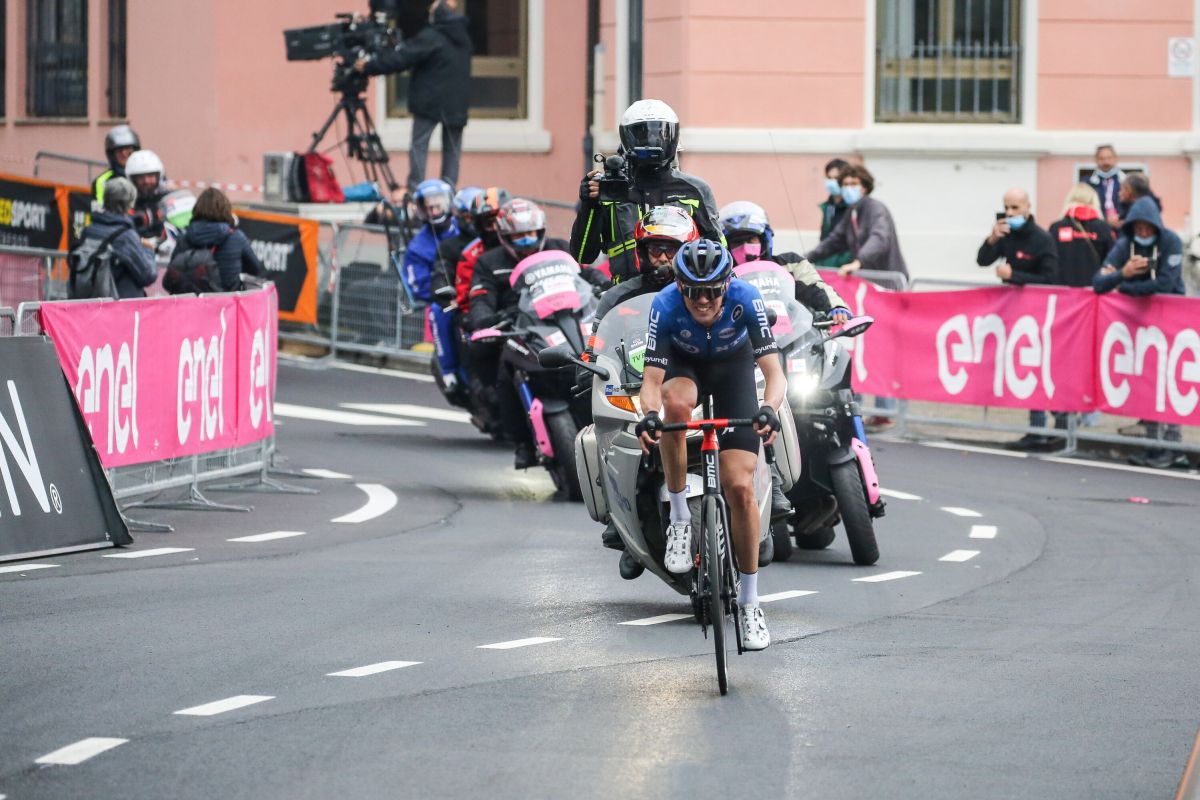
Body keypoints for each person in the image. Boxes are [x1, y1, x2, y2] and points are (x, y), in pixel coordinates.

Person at [635, 239, 787, 651]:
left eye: (711, 290)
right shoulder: (665, 305)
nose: (702, 300)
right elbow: (651, 382)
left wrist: (769, 408)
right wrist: (648, 416)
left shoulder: (747, 298)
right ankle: (681, 517)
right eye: (692, 291)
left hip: (733, 371)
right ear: (679, 286)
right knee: (674, 405)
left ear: (727, 283)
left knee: (739, 487)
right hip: (686, 368)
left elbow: (774, 373)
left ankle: (751, 602)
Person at [570, 99, 723, 283]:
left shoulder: (695, 190)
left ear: (674, 137)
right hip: (624, 301)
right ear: (627, 138)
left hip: (682, 297)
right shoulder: (610, 190)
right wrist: (589, 206)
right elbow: (583, 256)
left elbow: (719, 252)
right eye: (642, 135)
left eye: (661, 134)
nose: (652, 142)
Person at [467, 198, 571, 467]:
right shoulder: (488, 263)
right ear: (503, 236)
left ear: (541, 231)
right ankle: (522, 442)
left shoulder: (560, 249)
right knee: (506, 369)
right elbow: (480, 299)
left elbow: (586, 276)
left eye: (530, 234)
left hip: (567, 319)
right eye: (518, 236)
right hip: (520, 328)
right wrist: (485, 319)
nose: (526, 240)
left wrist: (600, 285)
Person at [805, 164, 906, 429]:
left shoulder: (875, 209)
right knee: (864, 347)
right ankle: (860, 407)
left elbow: (879, 239)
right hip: (866, 291)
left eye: (853, 183)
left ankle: (885, 411)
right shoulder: (853, 211)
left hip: (884, 288)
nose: (848, 188)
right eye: (845, 183)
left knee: (882, 350)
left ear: (864, 185)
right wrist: (803, 260)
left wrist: (858, 262)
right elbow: (834, 241)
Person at [1094, 196, 1187, 469]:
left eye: (1148, 229)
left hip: (1170, 323)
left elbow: (1167, 285)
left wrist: (1126, 288)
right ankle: (1154, 446)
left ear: (1156, 227)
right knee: (1148, 384)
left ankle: (1173, 446)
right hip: (1139, 326)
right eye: (1139, 229)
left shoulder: (1171, 242)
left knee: (1169, 383)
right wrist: (1124, 272)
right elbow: (1099, 282)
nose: (1144, 234)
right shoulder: (1125, 245)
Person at [976, 187, 1060, 449]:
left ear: (1027, 207)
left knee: (1042, 368)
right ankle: (1036, 430)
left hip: (1041, 314)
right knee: (1024, 369)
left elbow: (1051, 278)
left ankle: (1061, 423)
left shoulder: (1042, 239)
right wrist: (991, 240)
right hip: (1015, 314)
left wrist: (1015, 276)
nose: (1010, 213)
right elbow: (982, 260)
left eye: (1015, 208)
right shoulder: (1006, 233)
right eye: (1006, 207)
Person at [356, 0, 471, 191]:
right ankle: (449, 190)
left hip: (429, 102)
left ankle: (415, 188)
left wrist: (369, 66)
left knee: (419, 145)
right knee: (452, 149)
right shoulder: (462, 36)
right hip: (456, 105)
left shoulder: (432, 37)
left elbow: (402, 58)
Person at [719, 200, 851, 317]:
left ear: (765, 240)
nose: (745, 247)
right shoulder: (722, 276)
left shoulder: (791, 264)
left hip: (796, 338)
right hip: (743, 340)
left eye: (750, 239)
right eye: (737, 242)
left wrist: (836, 307)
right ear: (727, 248)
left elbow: (815, 286)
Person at [76, 177, 157, 298]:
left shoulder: (89, 229)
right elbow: (148, 275)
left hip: (91, 301)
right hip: (119, 306)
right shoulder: (126, 237)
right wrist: (148, 249)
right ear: (130, 203)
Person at [174, 188, 265, 292]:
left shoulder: (185, 237)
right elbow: (256, 269)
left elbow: (172, 274)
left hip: (191, 303)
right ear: (226, 210)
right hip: (226, 304)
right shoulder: (236, 237)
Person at [1048, 184, 1112, 288]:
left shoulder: (1056, 227)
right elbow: (1110, 263)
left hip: (1062, 292)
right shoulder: (1103, 228)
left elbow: (1050, 262)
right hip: (1093, 293)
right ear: (1094, 201)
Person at [812, 158, 853, 269]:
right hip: (825, 265)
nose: (832, 182)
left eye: (836, 178)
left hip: (843, 267)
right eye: (829, 178)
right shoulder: (828, 207)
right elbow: (824, 239)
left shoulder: (852, 207)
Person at [124, 150, 171, 243]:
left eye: (150, 175)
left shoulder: (166, 199)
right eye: (140, 177)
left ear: (158, 176)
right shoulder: (126, 204)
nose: (146, 181)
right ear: (132, 179)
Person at [93, 125, 140, 205]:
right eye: (119, 151)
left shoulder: (146, 174)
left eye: (128, 149)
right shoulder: (102, 181)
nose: (124, 154)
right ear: (112, 154)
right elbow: (101, 210)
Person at [1089, 145, 1126, 228]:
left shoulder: (1126, 182)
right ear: (1096, 160)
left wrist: (1122, 218)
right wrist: (1105, 220)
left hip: (1123, 227)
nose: (1106, 162)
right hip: (1097, 227)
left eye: (1109, 158)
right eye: (1101, 159)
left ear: (1115, 159)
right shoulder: (1088, 184)